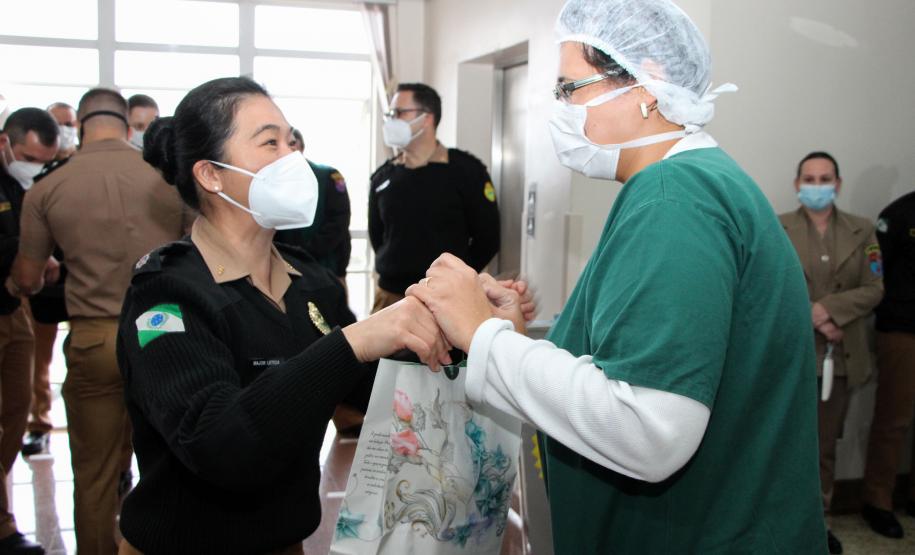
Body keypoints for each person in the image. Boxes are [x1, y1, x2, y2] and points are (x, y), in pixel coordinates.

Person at [407, 1, 827, 552]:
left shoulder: (673, 198)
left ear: (646, 85)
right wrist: (509, 334)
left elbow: (649, 430)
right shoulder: (696, 185)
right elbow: (636, 360)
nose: (558, 109)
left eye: (569, 88)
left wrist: (482, 338)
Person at [109, 76, 525, 554]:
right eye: (269, 143)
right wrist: (351, 343)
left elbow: (384, 391)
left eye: (291, 141)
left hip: (285, 542)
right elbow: (219, 443)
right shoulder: (167, 293)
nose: (292, 159)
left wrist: (480, 330)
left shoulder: (309, 283)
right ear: (211, 174)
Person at [9, 88, 186, 555]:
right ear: (128, 126)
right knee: (170, 470)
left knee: (94, 476)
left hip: (93, 337)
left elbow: (26, 280)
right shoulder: (167, 179)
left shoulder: (48, 187)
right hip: (161, 330)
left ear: (78, 127)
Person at [779, 151, 884, 554]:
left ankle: (817, 522)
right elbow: (768, 282)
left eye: (825, 179)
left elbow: (874, 287)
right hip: (791, 355)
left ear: (838, 184)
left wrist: (830, 311)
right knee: (786, 442)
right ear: (797, 184)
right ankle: (781, 520)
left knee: (824, 445)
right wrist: (813, 315)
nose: (817, 186)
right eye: (810, 178)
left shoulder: (863, 231)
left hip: (839, 360)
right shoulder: (778, 228)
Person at [368, 82, 500, 313]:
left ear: (427, 118)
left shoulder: (466, 171)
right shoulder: (383, 177)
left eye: (399, 113)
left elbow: (488, 238)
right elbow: (378, 237)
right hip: (391, 298)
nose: (391, 120)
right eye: (390, 114)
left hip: (449, 299)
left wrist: (457, 279)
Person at [0, 108, 58, 555]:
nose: (33, 166)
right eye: (26, 156)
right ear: (5, 142)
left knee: (15, 413)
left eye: (42, 160)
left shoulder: (24, 185)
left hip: (15, 308)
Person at [20, 102, 79, 458]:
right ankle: (39, 424)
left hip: (81, 278)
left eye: (69, 124)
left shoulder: (78, 167)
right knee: (37, 359)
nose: (65, 129)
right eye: (59, 123)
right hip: (42, 274)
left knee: (85, 356)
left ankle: (84, 425)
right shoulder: (30, 169)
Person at [861, 190, 915, 539]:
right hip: (904, 332)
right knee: (894, 420)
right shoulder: (899, 214)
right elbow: (878, 277)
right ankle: (878, 502)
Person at [275, 128, 351, 282]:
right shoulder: (272, 182)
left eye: (292, 144)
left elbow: (338, 221)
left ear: (301, 147)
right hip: (285, 268)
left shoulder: (328, 176)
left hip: (327, 268)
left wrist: (305, 253)